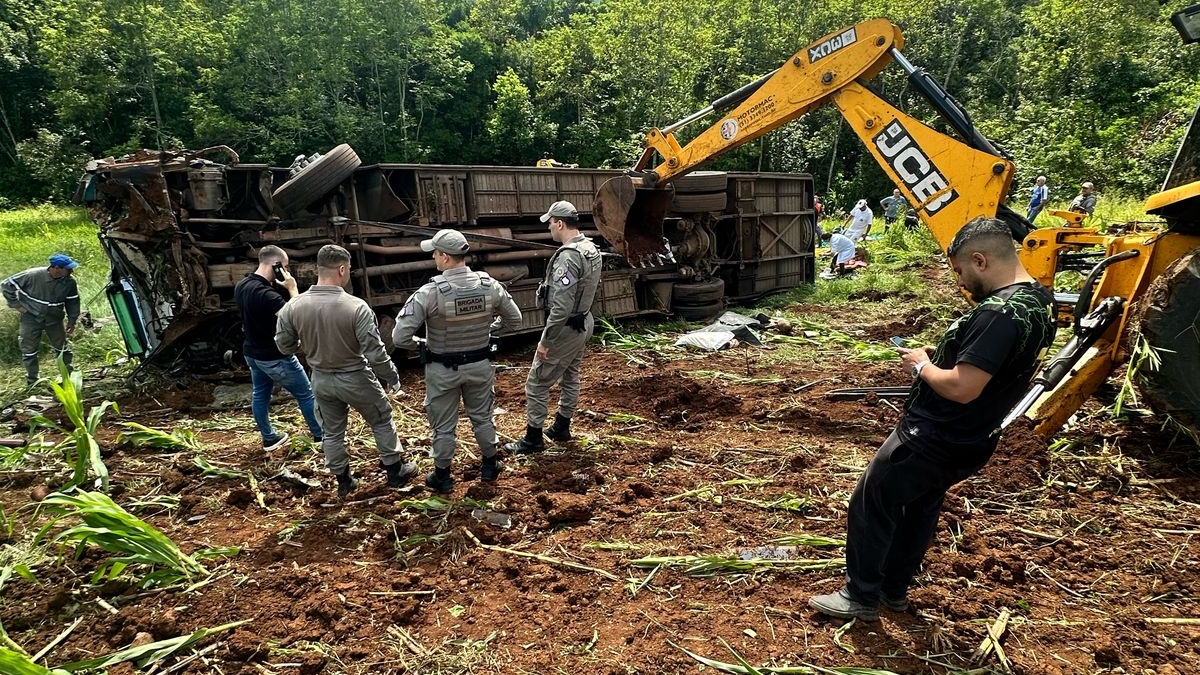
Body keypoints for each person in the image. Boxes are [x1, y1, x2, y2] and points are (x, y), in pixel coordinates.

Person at [809, 216, 1056, 622]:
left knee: (872, 502)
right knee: (919, 508)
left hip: (931, 437)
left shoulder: (998, 314)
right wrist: (944, 357)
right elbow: (991, 368)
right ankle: (893, 591)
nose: (961, 281)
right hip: (971, 437)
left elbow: (963, 387)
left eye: (960, 271)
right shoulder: (1040, 302)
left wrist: (922, 366)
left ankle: (860, 595)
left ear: (980, 260)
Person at [275, 244, 417, 499]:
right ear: (342, 269)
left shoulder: (293, 307)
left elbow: (284, 345)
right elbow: (375, 352)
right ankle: (395, 472)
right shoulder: (356, 306)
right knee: (381, 420)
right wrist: (392, 377)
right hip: (355, 376)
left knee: (332, 431)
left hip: (321, 379)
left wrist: (308, 346)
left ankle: (344, 481)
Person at [392, 229, 523, 493]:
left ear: (444, 257)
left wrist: (423, 346)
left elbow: (399, 337)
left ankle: (442, 477)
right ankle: (490, 466)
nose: (433, 257)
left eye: (435, 253)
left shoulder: (429, 293)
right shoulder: (489, 285)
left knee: (443, 427)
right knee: (483, 418)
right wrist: (489, 329)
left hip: (442, 369)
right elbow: (515, 320)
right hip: (480, 364)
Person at [505, 201, 602, 454]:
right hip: (583, 321)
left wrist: (545, 341)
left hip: (565, 329)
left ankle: (533, 438)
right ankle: (561, 427)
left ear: (559, 223)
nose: (548, 227)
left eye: (550, 223)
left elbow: (560, 308)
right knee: (570, 374)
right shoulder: (590, 248)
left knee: (536, 383)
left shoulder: (568, 257)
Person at [234, 245, 323, 452]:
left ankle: (269, 438)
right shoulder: (267, 295)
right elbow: (296, 317)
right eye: (286, 266)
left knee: (260, 394)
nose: (287, 270)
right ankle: (321, 435)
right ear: (277, 265)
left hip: (252, 353)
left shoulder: (242, 285)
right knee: (306, 394)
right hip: (275, 356)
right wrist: (292, 288)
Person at [3, 254, 81, 386]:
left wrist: (72, 320)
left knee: (62, 347)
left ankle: (67, 376)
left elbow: (73, 301)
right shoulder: (32, 275)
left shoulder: (70, 281)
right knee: (29, 349)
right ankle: (33, 380)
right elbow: (6, 285)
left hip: (54, 318)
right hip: (30, 317)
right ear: (56, 268)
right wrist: (16, 305)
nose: (71, 271)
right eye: (68, 268)